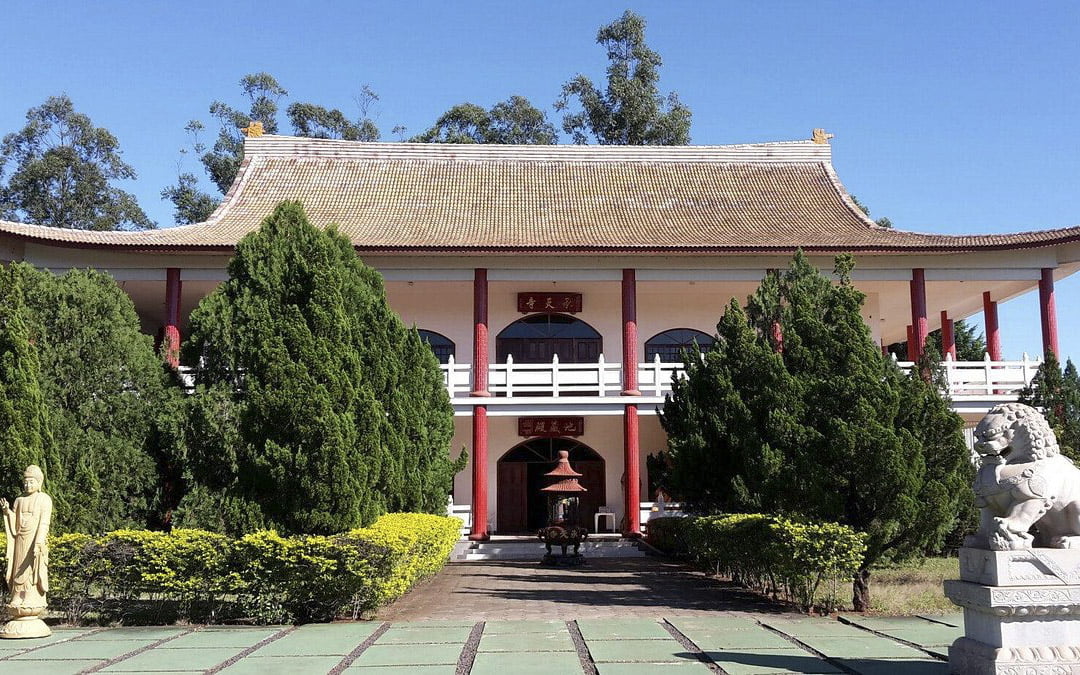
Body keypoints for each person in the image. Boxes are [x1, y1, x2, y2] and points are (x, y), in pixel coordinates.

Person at [1, 465, 52, 612]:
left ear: (39, 483)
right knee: (18, 567)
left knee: (31, 570)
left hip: (34, 540)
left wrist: (39, 542)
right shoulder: (19, 500)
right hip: (20, 540)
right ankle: (17, 595)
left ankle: (31, 596)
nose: (28, 485)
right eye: (25, 482)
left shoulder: (44, 499)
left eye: (31, 482)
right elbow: (14, 521)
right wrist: (6, 511)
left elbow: (44, 523)